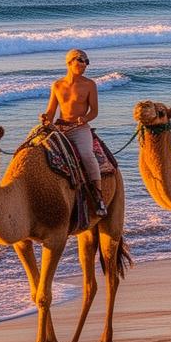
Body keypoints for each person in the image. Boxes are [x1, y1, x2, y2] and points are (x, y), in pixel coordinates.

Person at [42, 48, 104, 219]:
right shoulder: (57, 85)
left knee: (86, 154)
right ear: (69, 63)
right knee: (37, 151)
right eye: (80, 60)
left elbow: (94, 112)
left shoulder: (90, 84)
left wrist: (84, 119)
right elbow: (51, 110)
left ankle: (98, 195)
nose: (84, 65)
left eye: (86, 61)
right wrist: (45, 118)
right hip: (60, 127)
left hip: (79, 128)